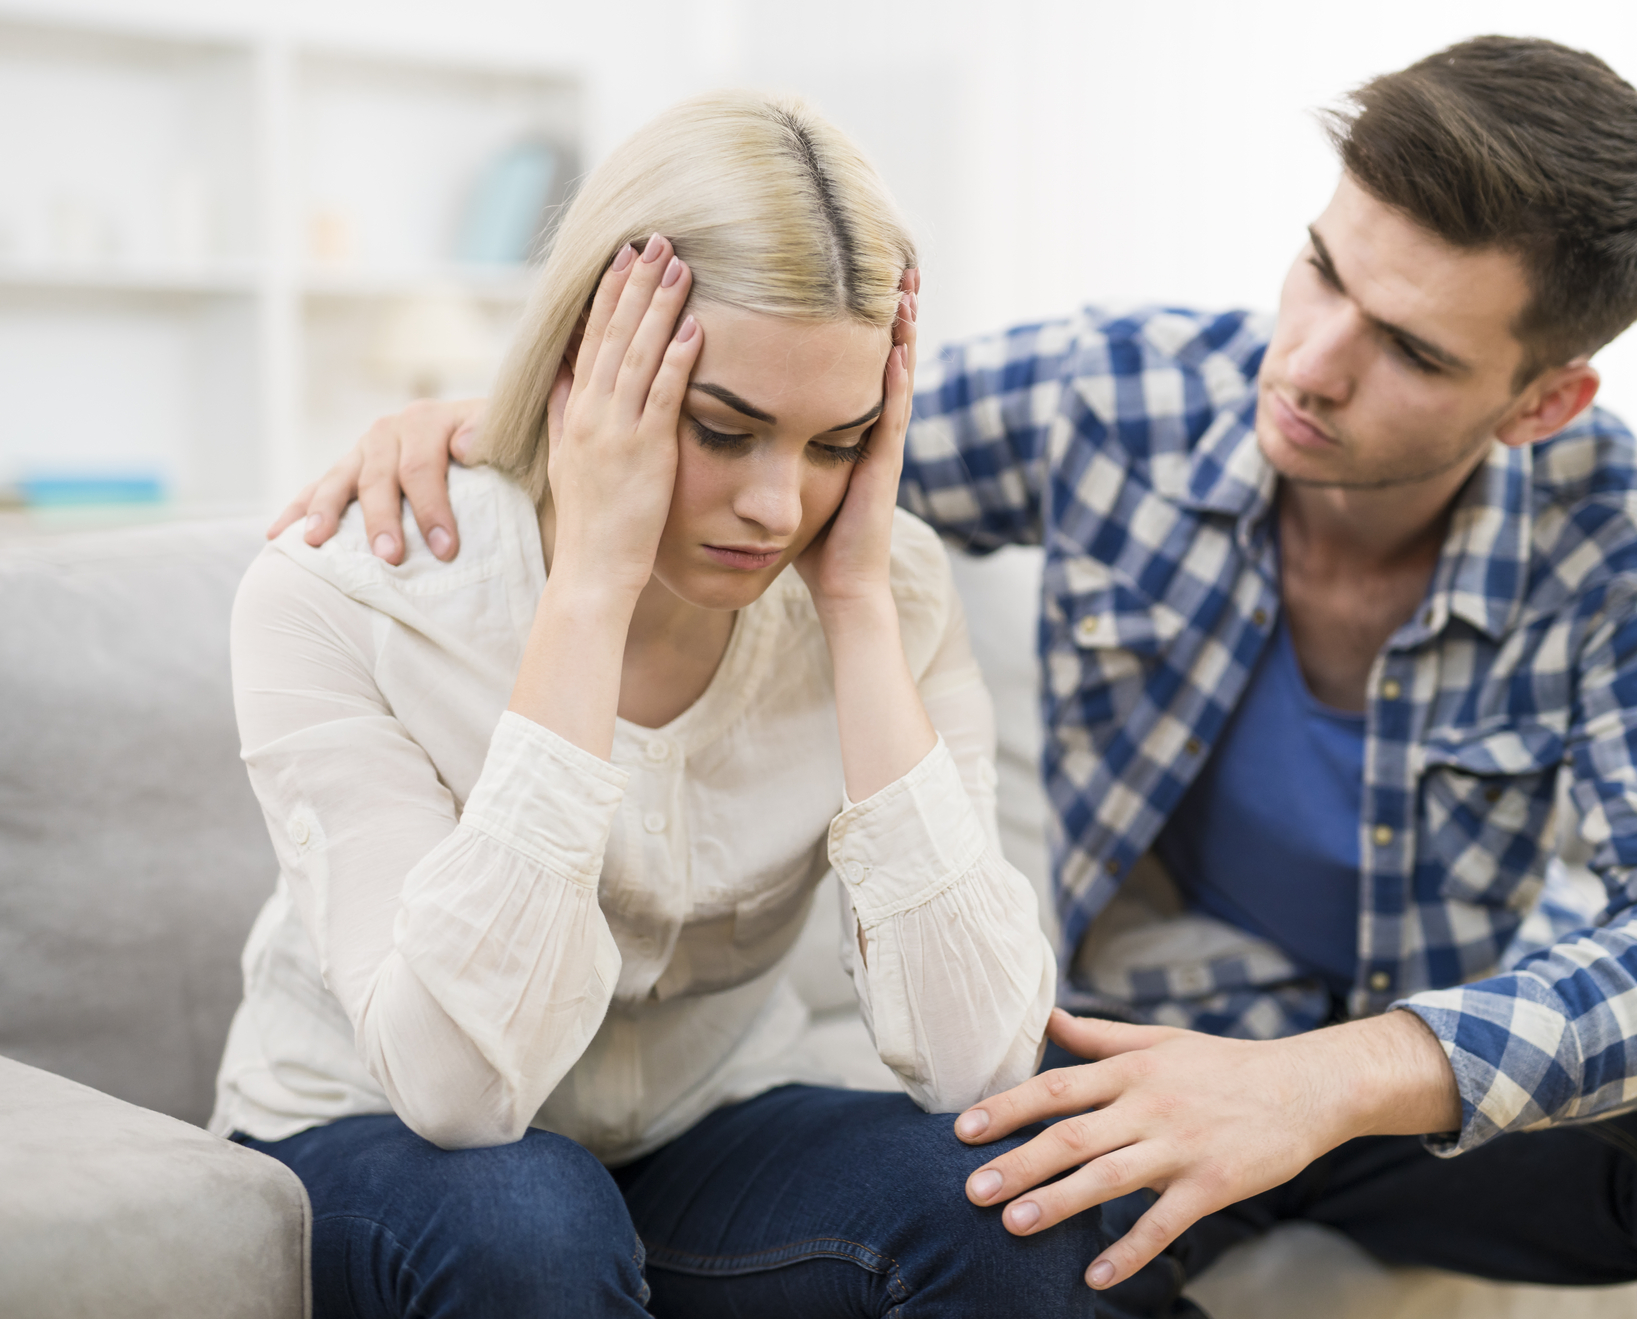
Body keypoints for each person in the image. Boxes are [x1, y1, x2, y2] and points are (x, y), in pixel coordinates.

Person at [279, 38, 1637, 1317]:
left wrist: (1330, 1079)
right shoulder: (1121, 397)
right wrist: (494, 436)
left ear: (1541, 402)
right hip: (1124, 1070)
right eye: (1322, 269)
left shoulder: (1631, 544)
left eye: (1408, 349)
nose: (1312, 364)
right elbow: (796, 423)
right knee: (995, 1238)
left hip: (1399, 1084)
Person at [217, 90, 1098, 1319]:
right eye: (722, 430)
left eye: (835, 441)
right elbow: (462, 1093)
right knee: (528, 1219)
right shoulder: (343, 595)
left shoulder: (877, 585)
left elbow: (981, 1059)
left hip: (698, 1125)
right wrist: (587, 590)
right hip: (382, 1132)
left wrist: (855, 605)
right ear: (593, 360)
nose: (777, 507)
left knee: (1012, 1200)